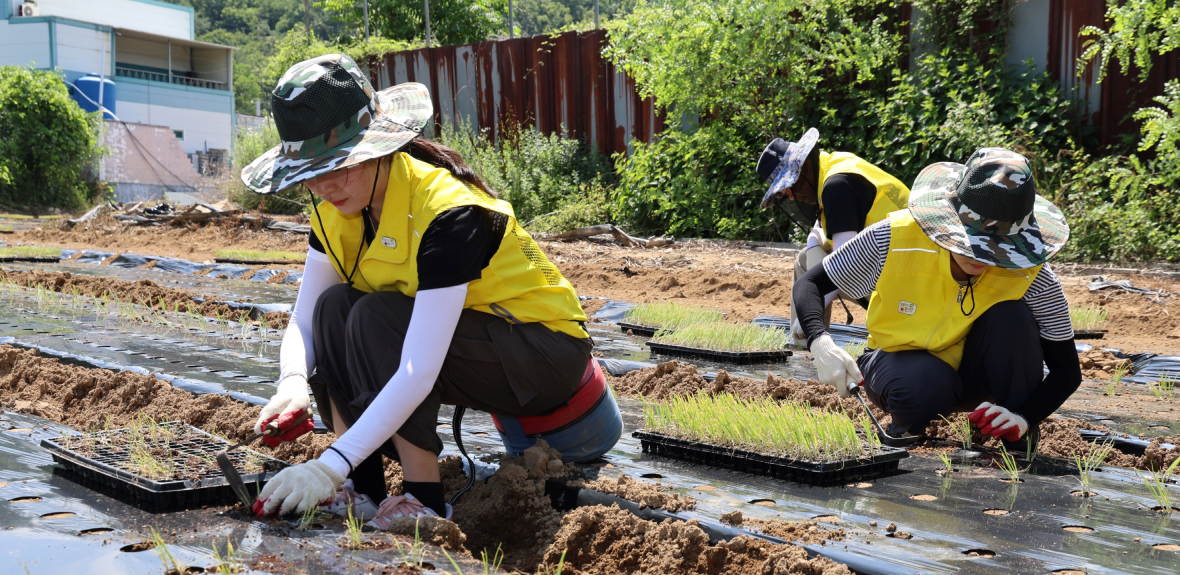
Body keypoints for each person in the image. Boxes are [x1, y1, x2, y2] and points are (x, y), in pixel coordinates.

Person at [238, 54, 623, 524]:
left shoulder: (447, 212)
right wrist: (292, 383)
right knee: (335, 307)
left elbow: (419, 369)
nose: (327, 186)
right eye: (313, 173)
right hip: (476, 350)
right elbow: (306, 317)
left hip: (543, 355)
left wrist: (327, 465)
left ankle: (424, 497)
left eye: (341, 165)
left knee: (375, 316)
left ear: (377, 146)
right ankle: (363, 490)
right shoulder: (335, 210)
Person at [792, 148, 1081, 448]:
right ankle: (907, 427)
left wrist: (1024, 415)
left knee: (1013, 317)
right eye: (970, 243)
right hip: (900, 365)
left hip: (974, 373)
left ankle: (1013, 436)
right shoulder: (897, 237)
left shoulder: (1030, 272)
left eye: (997, 249)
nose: (980, 259)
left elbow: (1067, 371)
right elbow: (810, 284)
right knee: (922, 385)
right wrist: (820, 342)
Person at [755, 128, 911, 346]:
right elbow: (835, 240)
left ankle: (808, 334)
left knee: (817, 266)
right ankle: (806, 344)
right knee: (804, 259)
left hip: (908, 279)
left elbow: (843, 266)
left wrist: (809, 311)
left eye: (790, 185)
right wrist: (812, 242)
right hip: (893, 261)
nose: (790, 194)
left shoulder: (837, 187)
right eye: (784, 193)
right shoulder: (833, 166)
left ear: (806, 166)